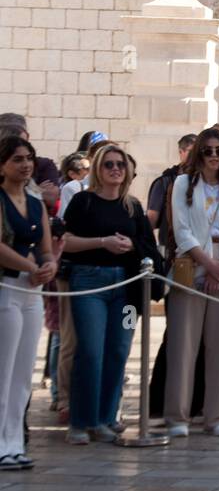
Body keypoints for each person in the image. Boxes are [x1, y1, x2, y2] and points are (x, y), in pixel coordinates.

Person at [62, 143, 156, 445]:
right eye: (108, 164)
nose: (115, 169)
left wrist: (131, 246)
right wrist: (103, 242)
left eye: (120, 165)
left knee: (118, 350)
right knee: (90, 350)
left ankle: (104, 418)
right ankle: (81, 420)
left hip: (126, 288)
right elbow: (67, 242)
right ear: (98, 169)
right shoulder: (83, 202)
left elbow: (148, 244)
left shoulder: (133, 206)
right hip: (90, 283)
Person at [164, 128, 219, 439]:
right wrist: (209, 265)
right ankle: (177, 416)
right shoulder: (183, 184)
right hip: (194, 266)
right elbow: (182, 230)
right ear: (198, 152)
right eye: (208, 150)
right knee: (183, 347)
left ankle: (216, 415)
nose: (214, 156)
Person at [0, 135, 57, 469]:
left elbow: (46, 245)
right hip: (7, 286)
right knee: (3, 371)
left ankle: (14, 442)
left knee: (23, 373)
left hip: (31, 290)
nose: (24, 165)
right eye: (17, 159)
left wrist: (47, 265)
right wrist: (31, 266)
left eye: (28, 159)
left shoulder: (35, 202)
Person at [0, 113, 61, 211]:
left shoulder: (44, 165)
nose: (26, 165)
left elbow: (51, 198)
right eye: (17, 159)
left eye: (29, 158)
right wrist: (37, 192)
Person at [146, 134, 197, 248]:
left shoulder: (206, 181)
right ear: (181, 152)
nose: (196, 156)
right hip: (172, 248)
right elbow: (151, 220)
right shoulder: (165, 182)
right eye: (192, 151)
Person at [58, 152, 90, 220]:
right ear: (72, 174)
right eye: (87, 169)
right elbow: (65, 217)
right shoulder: (70, 188)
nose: (91, 171)